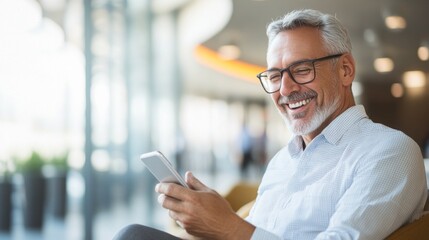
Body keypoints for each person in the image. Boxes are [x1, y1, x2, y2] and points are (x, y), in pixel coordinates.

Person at [114, 9, 428, 240]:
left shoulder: (389, 151)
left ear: (345, 70)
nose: (286, 89)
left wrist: (228, 226)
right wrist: (213, 217)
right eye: (275, 76)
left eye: (301, 69)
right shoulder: (282, 161)